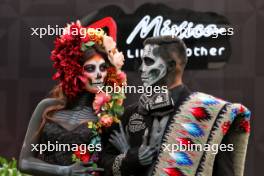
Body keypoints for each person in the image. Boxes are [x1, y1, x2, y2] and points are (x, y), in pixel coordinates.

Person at [100, 35, 251, 176]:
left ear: (172, 65)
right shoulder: (130, 113)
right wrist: (132, 159)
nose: (141, 68)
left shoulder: (210, 114)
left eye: (148, 61)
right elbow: (103, 163)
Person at [19, 21, 126, 176]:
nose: (99, 74)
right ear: (74, 71)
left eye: (103, 68)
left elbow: (114, 163)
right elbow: (24, 162)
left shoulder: (107, 116)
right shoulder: (46, 107)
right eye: (90, 68)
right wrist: (65, 171)